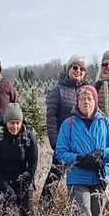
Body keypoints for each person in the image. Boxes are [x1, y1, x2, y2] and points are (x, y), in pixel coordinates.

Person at [55, 84, 109, 216]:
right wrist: (78, 158)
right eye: (82, 99)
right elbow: (60, 152)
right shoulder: (69, 124)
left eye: (89, 98)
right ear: (77, 102)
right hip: (78, 178)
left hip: (100, 177)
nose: (86, 102)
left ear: (95, 101)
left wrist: (102, 153)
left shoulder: (106, 123)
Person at [42, 55, 88, 208]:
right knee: (54, 175)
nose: (78, 71)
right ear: (69, 69)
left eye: (82, 69)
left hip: (81, 144)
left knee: (79, 177)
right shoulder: (59, 90)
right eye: (75, 67)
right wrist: (55, 142)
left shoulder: (87, 90)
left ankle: (75, 206)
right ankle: (44, 205)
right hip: (64, 143)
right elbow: (51, 117)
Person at [0, 102, 38, 216]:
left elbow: (32, 165)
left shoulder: (28, 137)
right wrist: (5, 187)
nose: (15, 126)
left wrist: (24, 187)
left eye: (17, 123)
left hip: (24, 179)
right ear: (6, 123)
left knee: (28, 215)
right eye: (11, 123)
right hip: (4, 179)